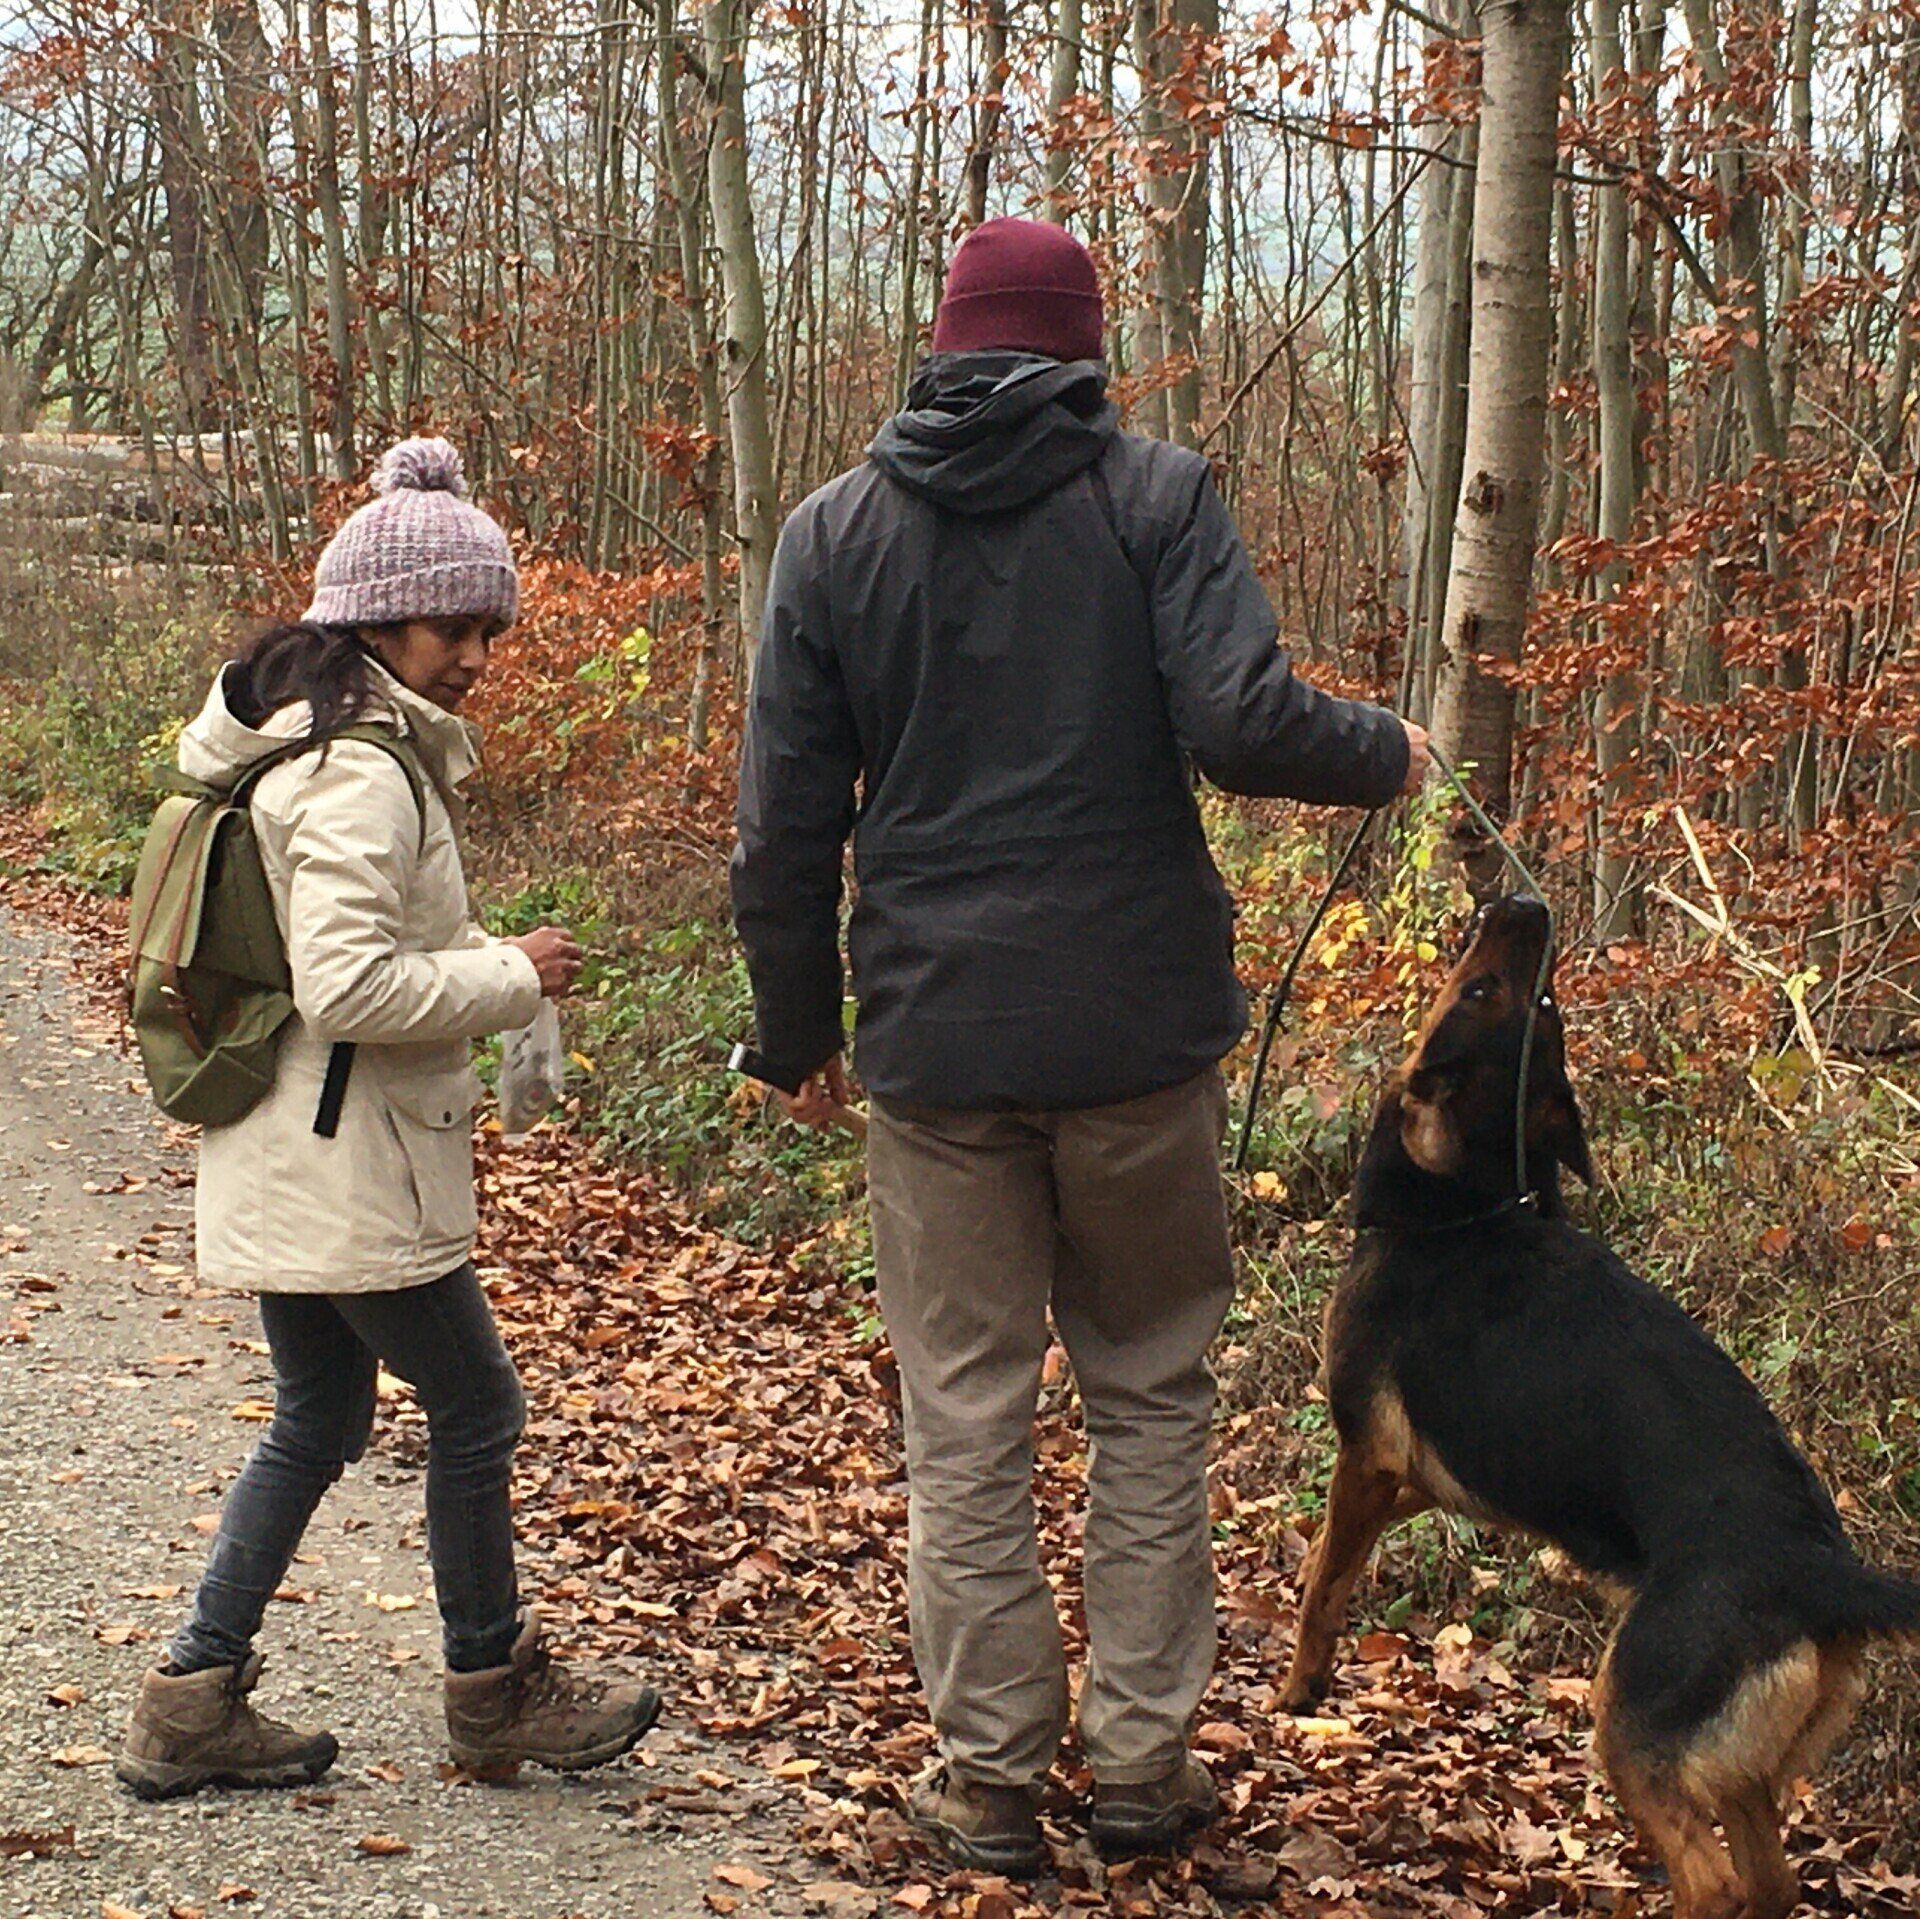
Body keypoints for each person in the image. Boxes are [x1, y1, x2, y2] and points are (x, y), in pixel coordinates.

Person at [730, 220, 1428, 1875]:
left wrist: (792, 1031)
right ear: (1083, 353)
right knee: (1149, 1400)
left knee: (962, 1417)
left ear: (946, 346)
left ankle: (984, 1785)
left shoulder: (833, 533)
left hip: (935, 1041)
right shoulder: (1153, 496)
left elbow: (777, 826)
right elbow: (1245, 724)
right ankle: (1140, 1774)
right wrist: (1384, 752)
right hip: (1136, 1035)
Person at [118, 438, 659, 1801]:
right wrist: (510, 975)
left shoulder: (306, 742)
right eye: (451, 624)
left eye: (488, 626)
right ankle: (492, 1687)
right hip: (348, 1157)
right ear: (374, 617)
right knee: (477, 1408)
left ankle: (191, 1696)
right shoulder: (359, 768)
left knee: (318, 1413)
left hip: (289, 1142)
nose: (475, 652)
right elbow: (349, 984)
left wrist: (482, 966)